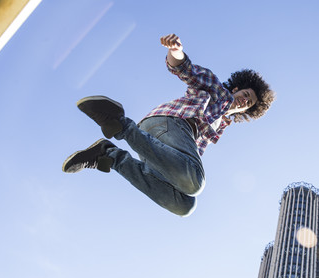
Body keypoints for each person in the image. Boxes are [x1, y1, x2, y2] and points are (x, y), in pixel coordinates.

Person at [62, 34, 275, 217]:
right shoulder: (217, 90)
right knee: (195, 182)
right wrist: (176, 51)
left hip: (155, 145)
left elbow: (184, 161)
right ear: (237, 88)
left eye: (249, 103)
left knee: (185, 205)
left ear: (246, 111)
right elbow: (185, 69)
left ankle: (107, 155)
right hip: (168, 124)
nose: (244, 101)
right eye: (245, 95)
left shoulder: (219, 127)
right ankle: (119, 123)